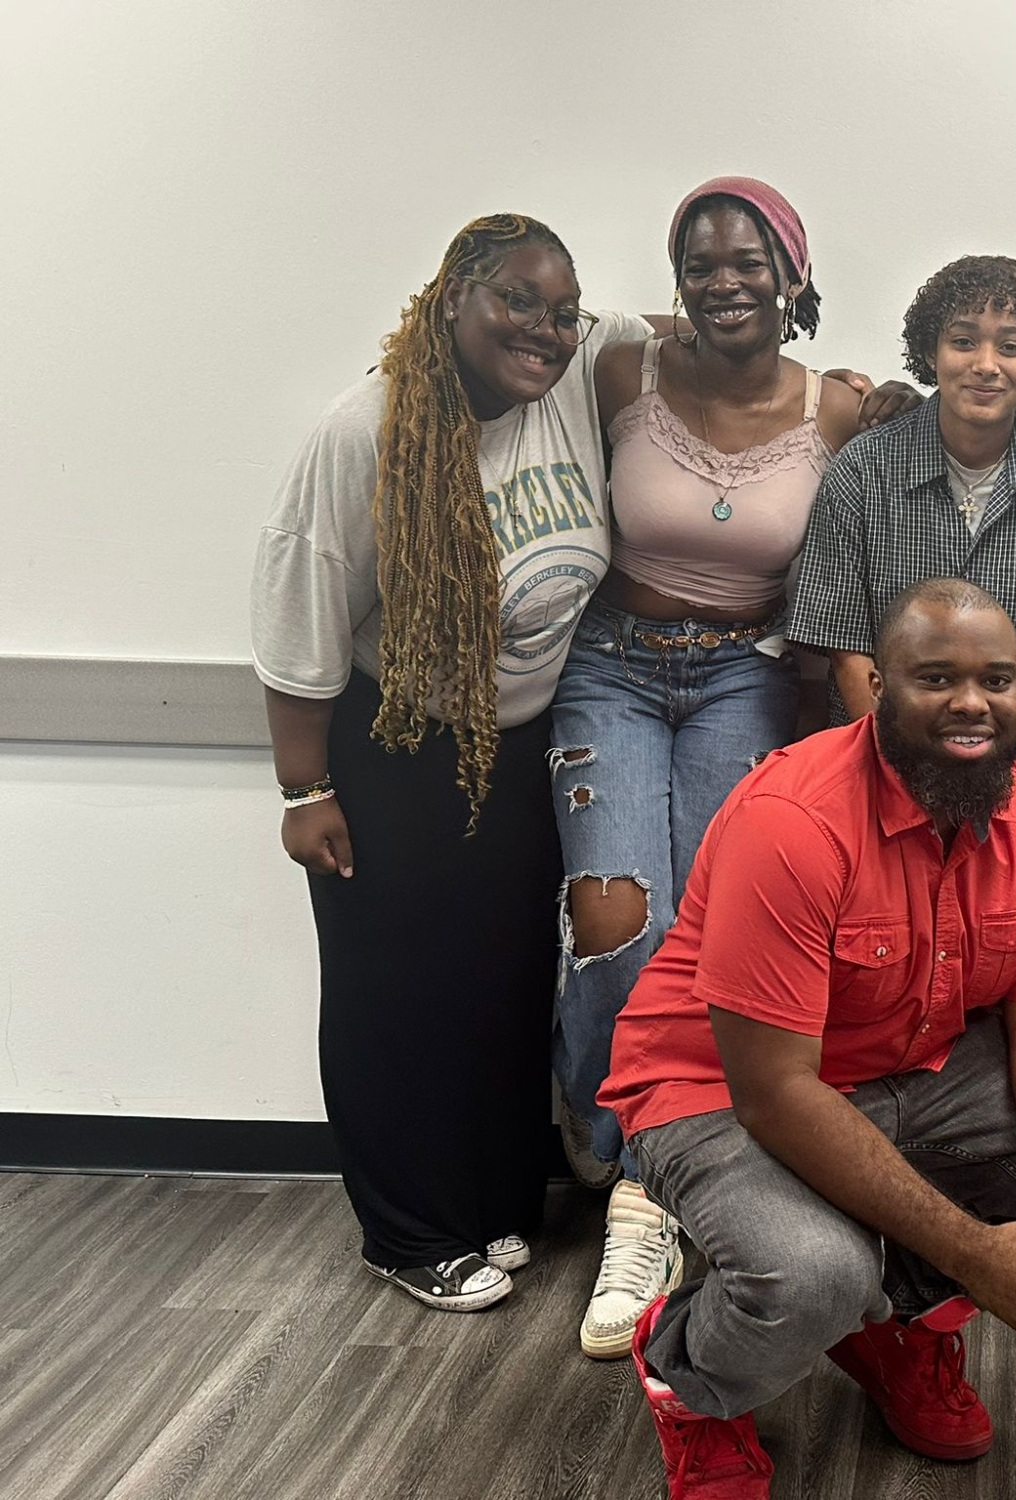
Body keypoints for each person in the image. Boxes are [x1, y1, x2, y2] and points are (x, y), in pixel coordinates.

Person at [598, 580, 1016, 1499]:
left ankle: (902, 1329)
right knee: (817, 1274)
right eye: (935, 677)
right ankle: (689, 1380)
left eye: (997, 679)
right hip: (715, 1087)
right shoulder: (794, 819)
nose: (972, 703)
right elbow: (776, 1091)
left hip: (907, 1067)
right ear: (874, 686)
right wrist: (977, 1253)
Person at [252, 213, 658, 1310]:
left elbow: (687, 326)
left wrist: (827, 382)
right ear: (450, 301)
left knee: (500, 986)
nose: (543, 328)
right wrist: (305, 792)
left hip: (518, 745)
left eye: (560, 311)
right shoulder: (366, 434)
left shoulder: (572, 373)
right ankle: (406, 1232)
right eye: (514, 303)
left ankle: (488, 1206)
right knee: (397, 997)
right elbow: (297, 630)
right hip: (390, 749)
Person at [548, 177, 908, 1361]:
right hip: (609, 666)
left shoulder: (839, 407)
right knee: (612, 917)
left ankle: (683, 1169)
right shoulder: (621, 377)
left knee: (713, 934)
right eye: (699, 263)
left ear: (792, 277)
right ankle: (621, 1171)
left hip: (745, 678)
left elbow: (899, 504)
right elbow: (539, 352)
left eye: (748, 260)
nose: (724, 280)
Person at [788, 255, 1016, 774]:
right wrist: (896, 764)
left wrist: (996, 754)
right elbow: (846, 648)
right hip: (875, 758)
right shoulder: (864, 470)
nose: (986, 363)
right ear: (930, 352)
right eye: (963, 341)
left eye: (1012, 346)